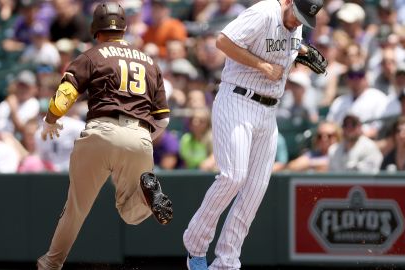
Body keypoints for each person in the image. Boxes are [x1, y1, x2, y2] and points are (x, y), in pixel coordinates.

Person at [183, 0, 324, 269]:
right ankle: (196, 246)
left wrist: (303, 51)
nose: (298, 22)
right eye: (298, 15)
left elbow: (282, 47)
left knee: (255, 190)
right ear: (288, 1)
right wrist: (261, 66)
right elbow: (223, 41)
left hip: (269, 111)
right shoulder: (264, 12)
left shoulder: (295, 24)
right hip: (238, 99)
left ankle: (227, 262)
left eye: (305, 20)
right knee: (232, 176)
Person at [36, 3, 173, 269]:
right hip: (140, 135)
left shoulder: (91, 56)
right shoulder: (149, 61)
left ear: (95, 29)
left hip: (100, 132)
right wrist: (140, 138)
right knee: (131, 213)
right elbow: (163, 119)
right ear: (124, 27)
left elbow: (64, 97)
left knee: (75, 210)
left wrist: (50, 119)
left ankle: (51, 265)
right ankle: (148, 196)